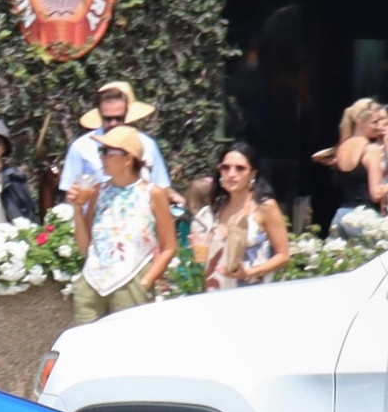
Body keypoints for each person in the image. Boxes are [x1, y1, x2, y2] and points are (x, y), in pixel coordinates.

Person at [69, 127, 178, 326]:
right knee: (84, 344)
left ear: (128, 159)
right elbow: (86, 247)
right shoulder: (97, 191)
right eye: (101, 151)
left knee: (128, 346)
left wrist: (146, 281)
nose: (102, 157)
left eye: (107, 152)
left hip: (132, 280)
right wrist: (77, 209)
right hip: (92, 281)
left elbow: (169, 246)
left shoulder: (153, 194)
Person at [58, 81, 171, 204]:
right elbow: (70, 195)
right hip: (93, 219)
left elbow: (161, 188)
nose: (113, 124)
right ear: (100, 115)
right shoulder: (81, 147)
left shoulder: (147, 144)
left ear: (128, 114)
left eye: (119, 118)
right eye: (108, 119)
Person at [198, 141, 292, 288]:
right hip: (216, 290)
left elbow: (283, 256)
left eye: (240, 168)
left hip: (252, 290)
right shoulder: (217, 207)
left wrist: (249, 272)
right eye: (225, 167)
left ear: (253, 173)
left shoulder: (265, 207)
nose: (231, 174)